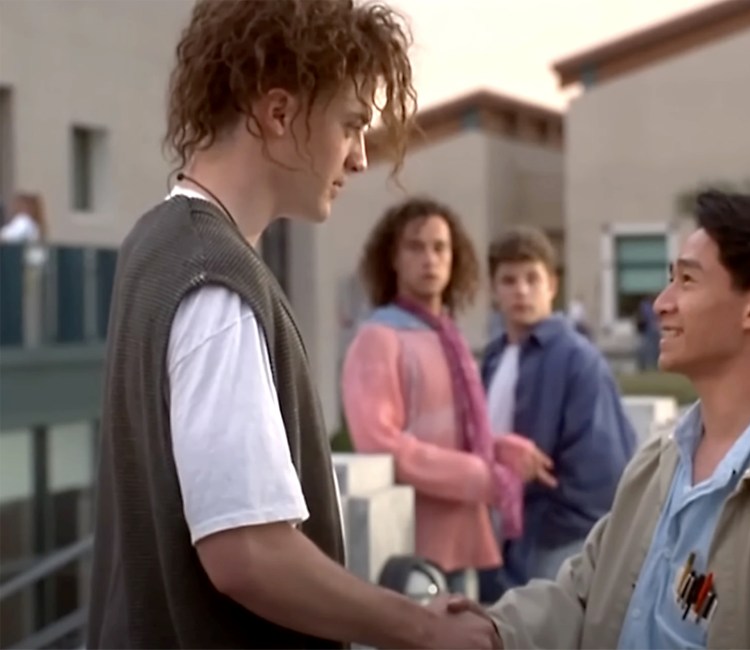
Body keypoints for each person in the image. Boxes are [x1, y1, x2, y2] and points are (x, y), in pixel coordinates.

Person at [86, 2, 498, 648]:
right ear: (279, 114)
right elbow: (248, 552)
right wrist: (417, 627)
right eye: (351, 124)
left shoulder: (155, 243)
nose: (361, 157)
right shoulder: (214, 283)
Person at [444, 190, 750, 648]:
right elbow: (584, 596)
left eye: (687, 280)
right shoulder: (657, 465)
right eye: (669, 279)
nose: (661, 304)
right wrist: (492, 630)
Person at [342, 197, 554, 597]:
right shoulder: (379, 339)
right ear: (393, 257)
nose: (430, 259)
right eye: (415, 247)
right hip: (412, 548)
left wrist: (502, 450)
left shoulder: (448, 335)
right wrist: (477, 475)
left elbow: (452, 428)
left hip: (463, 541)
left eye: (440, 247)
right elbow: (380, 443)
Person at [478, 226, 636, 601]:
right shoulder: (494, 355)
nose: (521, 290)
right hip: (498, 533)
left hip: (554, 540)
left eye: (532, 278)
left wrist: (550, 531)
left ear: (552, 284)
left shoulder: (578, 360)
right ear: (493, 290)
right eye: (509, 280)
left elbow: (605, 469)